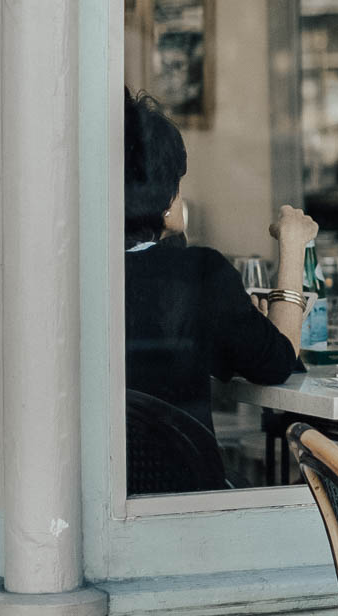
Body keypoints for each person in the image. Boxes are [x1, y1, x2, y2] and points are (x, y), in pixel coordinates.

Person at [125, 89, 316, 437]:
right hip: (187, 482)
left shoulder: (75, 275)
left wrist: (245, 328)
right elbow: (276, 365)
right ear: (167, 201)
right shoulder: (196, 275)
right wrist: (293, 243)